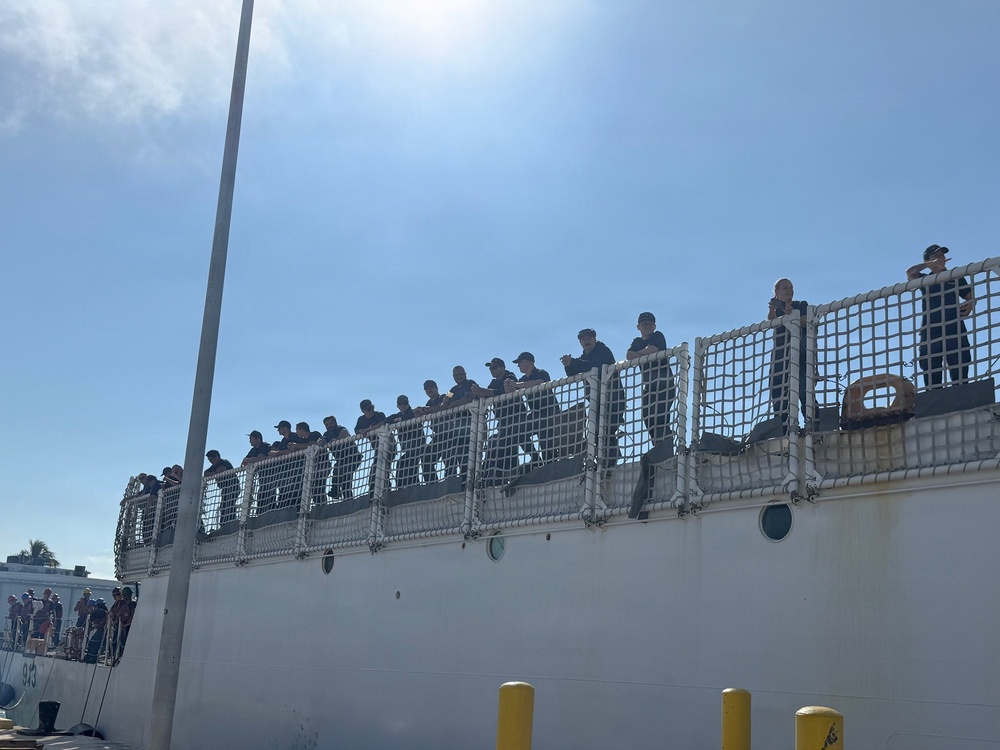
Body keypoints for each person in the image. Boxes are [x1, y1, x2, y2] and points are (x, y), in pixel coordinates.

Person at [906, 245, 975, 388]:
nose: (940, 259)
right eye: (935, 256)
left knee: (960, 366)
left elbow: (969, 296)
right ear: (928, 260)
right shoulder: (924, 279)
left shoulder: (955, 276)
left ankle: (962, 397)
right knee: (931, 370)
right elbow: (910, 273)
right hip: (931, 330)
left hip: (954, 327)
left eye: (942, 256)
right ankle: (933, 401)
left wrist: (971, 303)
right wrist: (928, 265)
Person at [561, 328, 625, 467]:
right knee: (596, 432)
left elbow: (596, 365)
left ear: (594, 339)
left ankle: (610, 463)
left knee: (608, 430)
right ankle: (606, 461)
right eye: (583, 339)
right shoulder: (584, 357)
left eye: (589, 338)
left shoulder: (603, 351)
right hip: (596, 401)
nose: (586, 341)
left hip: (613, 399)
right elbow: (573, 373)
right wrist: (568, 364)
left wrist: (574, 362)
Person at [473, 358, 533, 483]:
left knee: (519, 439)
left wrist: (483, 391)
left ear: (502, 368)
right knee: (510, 442)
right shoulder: (493, 382)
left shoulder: (509, 376)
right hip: (503, 419)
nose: (492, 370)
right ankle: (503, 472)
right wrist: (478, 393)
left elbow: (503, 391)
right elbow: (488, 393)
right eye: (490, 368)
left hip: (516, 415)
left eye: (494, 368)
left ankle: (536, 460)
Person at [626, 312, 675, 447]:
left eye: (650, 324)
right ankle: (659, 448)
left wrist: (639, 354)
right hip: (649, 387)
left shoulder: (658, 336)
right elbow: (629, 355)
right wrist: (643, 352)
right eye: (644, 324)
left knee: (661, 418)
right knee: (648, 417)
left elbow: (653, 350)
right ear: (638, 327)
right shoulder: (636, 341)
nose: (647, 326)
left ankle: (667, 449)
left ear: (654, 326)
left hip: (665, 384)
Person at [506, 352, 560, 463]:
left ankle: (550, 465)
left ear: (528, 362)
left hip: (549, 412)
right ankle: (535, 458)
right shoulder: (522, 379)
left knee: (546, 445)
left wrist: (517, 385)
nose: (518, 366)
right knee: (517, 433)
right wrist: (508, 387)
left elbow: (539, 382)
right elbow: (514, 391)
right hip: (535, 414)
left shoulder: (541, 373)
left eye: (520, 363)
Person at [768, 278, 809, 424]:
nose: (789, 290)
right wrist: (773, 308)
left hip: (800, 353)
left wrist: (792, 315)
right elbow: (771, 321)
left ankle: (813, 425)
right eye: (785, 288)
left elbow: (806, 321)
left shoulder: (801, 305)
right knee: (778, 394)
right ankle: (782, 428)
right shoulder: (777, 309)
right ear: (777, 292)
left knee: (805, 391)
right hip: (780, 357)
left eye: (791, 287)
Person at [440, 366, 479, 478]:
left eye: (461, 374)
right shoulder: (452, 390)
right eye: (457, 375)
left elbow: (468, 398)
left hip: (471, 424)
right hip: (457, 428)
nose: (459, 377)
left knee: (470, 454)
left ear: (465, 374)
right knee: (459, 455)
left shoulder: (470, 383)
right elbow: (444, 403)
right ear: (453, 377)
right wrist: (446, 403)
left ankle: (470, 479)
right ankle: (460, 480)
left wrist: (452, 404)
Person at [321, 416, 362, 501]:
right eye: (327, 425)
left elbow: (345, 433)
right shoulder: (326, 434)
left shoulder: (340, 429)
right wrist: (321, 442)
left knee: (346, 479)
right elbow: (321, 441)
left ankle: (348, 500)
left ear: (335, 423)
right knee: (336, 472)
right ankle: (335, 492)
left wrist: (336, 440)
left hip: (352, 457)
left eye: (331, 423)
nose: (329, 426)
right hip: (341, 460)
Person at [387, 395, 424, 488]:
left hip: (418, 446)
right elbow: (387, 420)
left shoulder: (412, 412)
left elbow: (411, 416)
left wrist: (400, 420)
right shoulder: (398, 415)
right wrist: (397, 420)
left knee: (411, 468)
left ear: (408, 404)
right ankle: (401, 489)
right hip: (408, 449)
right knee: (401, 465)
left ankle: (414, 489)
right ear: (397, 406)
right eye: (400, 404)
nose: (403, 405)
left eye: (405, 403)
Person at [414, 380, 447, 483]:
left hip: (449, 434)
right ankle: (433, 484)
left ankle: (451, 483)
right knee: (426, 460)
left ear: (437, 388)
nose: (429, 390)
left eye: (431, 387)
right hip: (437, 436)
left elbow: (442, 407)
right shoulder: (428, 403)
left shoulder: (444, 396)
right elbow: (427, 412)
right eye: (426, 388)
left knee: (449, 460)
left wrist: (425, 409)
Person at [355, 400, 387, 498]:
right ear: (363, 410)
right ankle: (373, 495)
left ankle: (384, 493)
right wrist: (362, 431)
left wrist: (370, 429)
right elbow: (356, 430)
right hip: (377, 448)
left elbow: (382, 423)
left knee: (383, 469)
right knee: (375, 470)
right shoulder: (361, 420)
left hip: (388, 445)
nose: (370, 410)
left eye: (371, 408)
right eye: (367, 409)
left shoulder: (379, 415)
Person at [204, 450, 240, 525]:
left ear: (217, 457)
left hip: (233, 487)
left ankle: (230, 523)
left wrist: (213, 473)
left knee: (229, 504)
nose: (210, 462)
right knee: (223, 506)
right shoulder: (214, 466)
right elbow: (206, 473)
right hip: (225, 488)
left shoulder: (224, 462)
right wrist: (213, 473)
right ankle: (224, 524)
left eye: (211, 459)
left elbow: (220, 470)